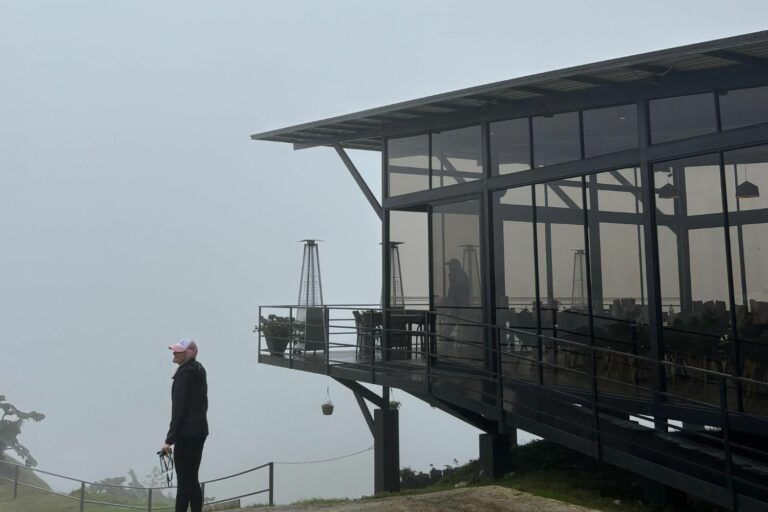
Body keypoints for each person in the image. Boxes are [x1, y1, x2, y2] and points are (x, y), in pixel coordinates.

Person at [160, 338, 208, 512]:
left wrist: (169, 440)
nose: (174, 353)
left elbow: (179, 409)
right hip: (200, 430)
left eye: (178, 351)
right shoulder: (199, 370)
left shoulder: (183, 376)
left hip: (185, 433)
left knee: (183, 481)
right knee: (192, 478)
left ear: (189, 354)